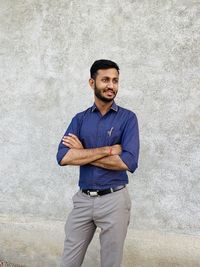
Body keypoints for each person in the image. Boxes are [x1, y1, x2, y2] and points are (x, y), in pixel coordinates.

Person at [56, 59, 140, 267]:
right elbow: (64, 157)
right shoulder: (80, 119)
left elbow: (127, 162)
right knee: (68, 262)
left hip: (114, 200)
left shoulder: (128, 119)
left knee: (111, 263)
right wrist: (107, 150)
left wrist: (82, 153)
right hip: (83, 200)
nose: (111, 85)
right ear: (92, 83)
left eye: (115, 80)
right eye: (105, 80)